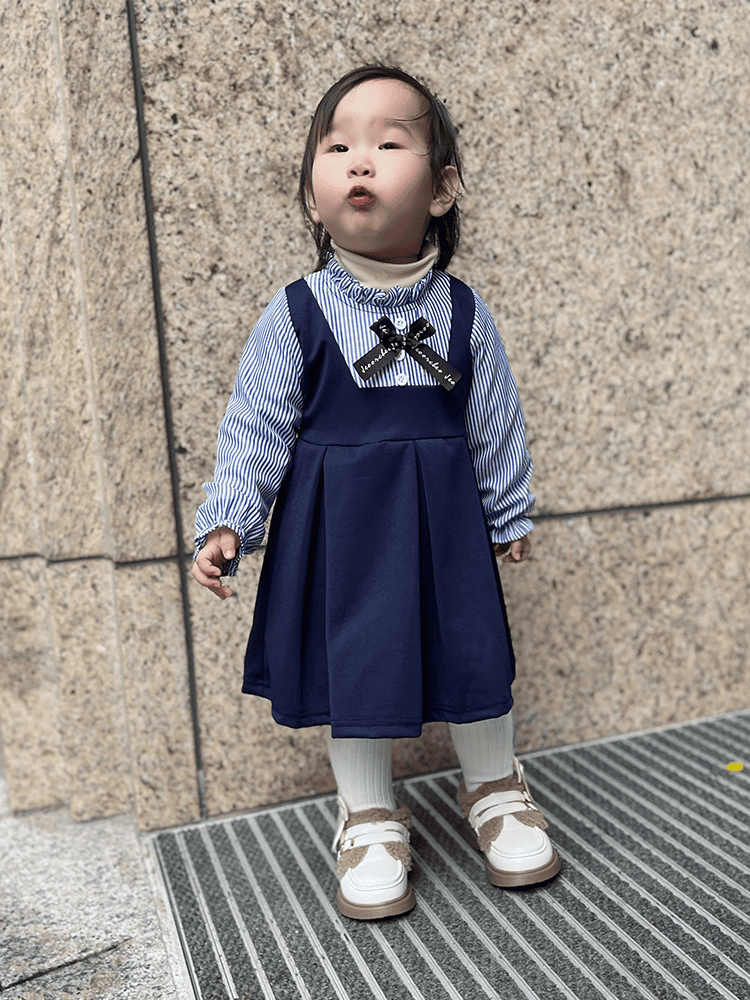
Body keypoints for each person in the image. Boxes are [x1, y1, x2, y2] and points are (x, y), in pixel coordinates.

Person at [193, 65, 560, 920]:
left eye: (389, 143)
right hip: (343, 531)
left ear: (443, 188)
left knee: (472, 650)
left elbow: (494, 419)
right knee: (353, 658)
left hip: (445, 525)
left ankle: (495, 787)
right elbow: (254, 425)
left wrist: (507, 507)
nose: (359, 160)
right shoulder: (295, 314)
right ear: (313, 196)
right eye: (337, 148)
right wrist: (229, 521)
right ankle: (367, 813)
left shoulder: (463, 313)